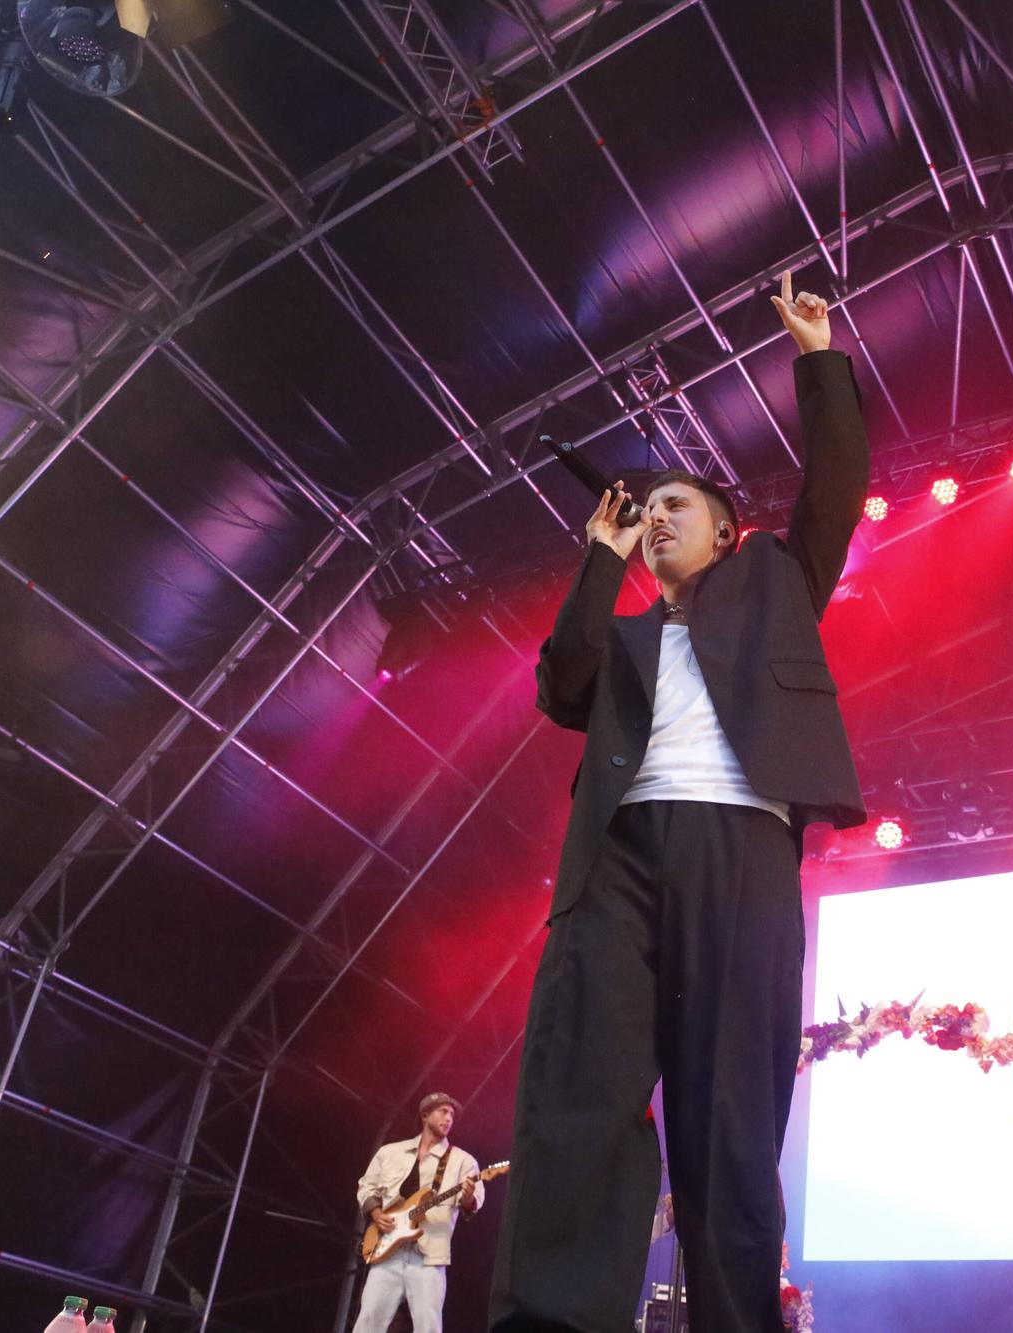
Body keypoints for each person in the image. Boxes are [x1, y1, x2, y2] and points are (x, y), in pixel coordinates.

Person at [490, 274, 868, 1333]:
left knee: (727, 1124)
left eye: (673, 507)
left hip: (739, 848)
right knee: (578, 1102)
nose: (653, 519)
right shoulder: (625, 637)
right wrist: (594, 560)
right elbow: (559, 688)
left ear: (725, 530)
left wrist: (815, 353)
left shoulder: (776, 583)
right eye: (642, 512)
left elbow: (835, 488)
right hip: (617, 856)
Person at [352, 1093, 485, 1333]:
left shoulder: (463, 1161)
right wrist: (374, 1212)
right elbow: (366, 1185)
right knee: (368, 1322)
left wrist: (468, 1199)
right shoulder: (390, 1152)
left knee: (428, 1326)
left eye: (452, 1114)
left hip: (429, 1258)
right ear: (425, 1115)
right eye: (443, 1112)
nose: (448, 1118)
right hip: (387, 1252)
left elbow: (473, 1201)